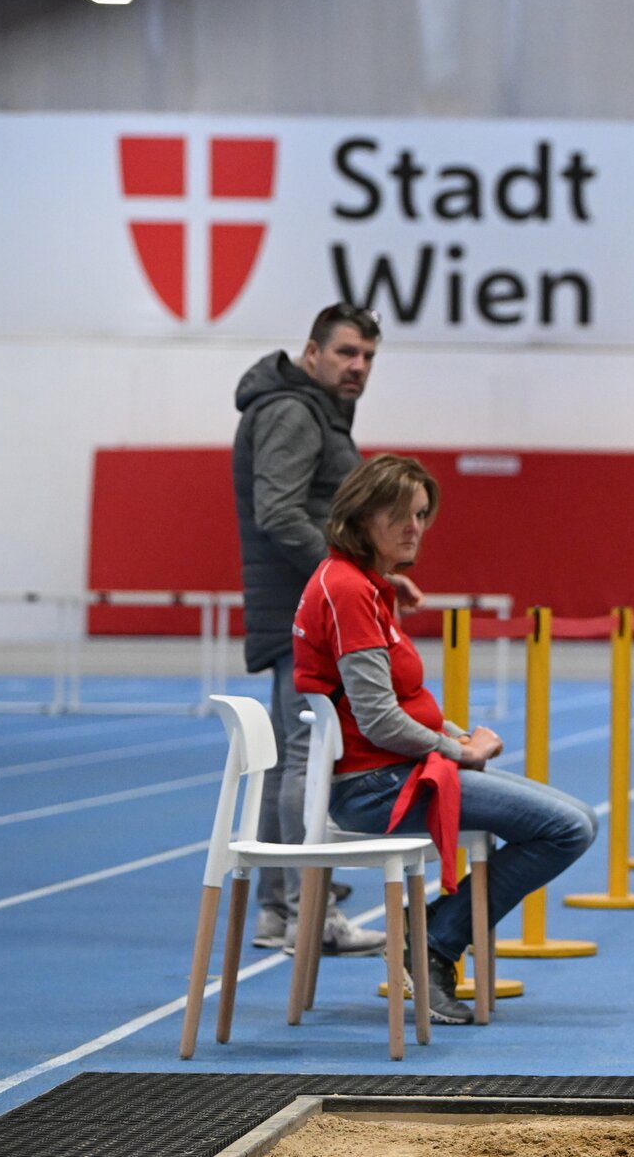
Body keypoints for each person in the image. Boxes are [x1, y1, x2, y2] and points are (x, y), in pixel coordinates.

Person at [300, 455, 596, 1025]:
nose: (417, 527)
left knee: (578, 818)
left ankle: (431, 932)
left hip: (396, 773)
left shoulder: (362, 586)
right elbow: (381, 721)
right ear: (362, 518)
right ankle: (434, 941)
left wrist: (453, 734)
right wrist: (460, 751)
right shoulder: (350, 591)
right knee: (568, 828)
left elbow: (396, 706)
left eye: (421, 515)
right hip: (377, 786)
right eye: (402, 515)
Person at [232, 302, 409, 956]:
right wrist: (349, 581)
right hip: (303, 614)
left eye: (367, 355)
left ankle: (282, 914)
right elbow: (279, 512)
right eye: (345, 352)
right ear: (311, 354)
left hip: (304, 606)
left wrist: (375, 575)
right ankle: (308, 912)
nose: (357, 365)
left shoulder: (312, 413)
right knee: (306, 760)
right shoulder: (293, 412)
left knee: (292, 758)